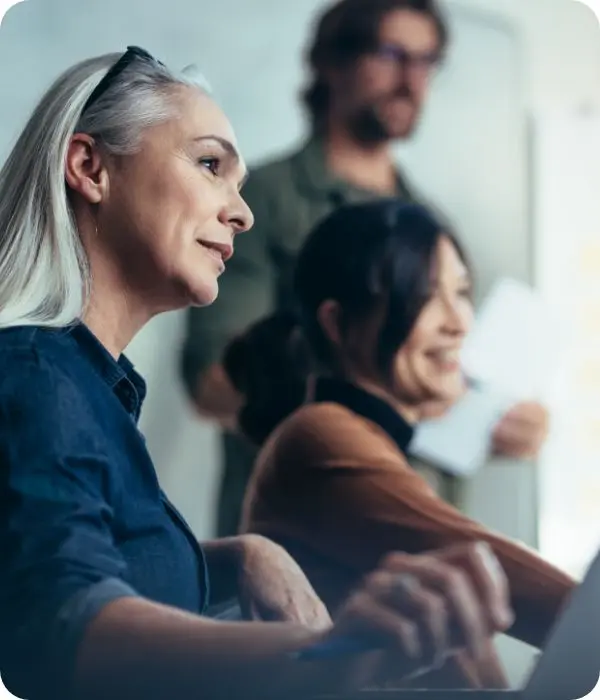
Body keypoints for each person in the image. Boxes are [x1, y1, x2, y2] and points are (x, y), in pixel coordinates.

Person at [0, 47, 516, 700]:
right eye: (210, 165)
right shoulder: (37, 377)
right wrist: (330, 655)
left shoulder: (91, 393)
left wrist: (237, 556)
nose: (241, 213)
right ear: (90, 167)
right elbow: (58, 626)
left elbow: (108, 569)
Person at [180, 0, 549, 538]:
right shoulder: (261, 199)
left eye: (427, 61)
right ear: (332, 62)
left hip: (426, 536)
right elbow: (212, 382)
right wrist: (388, 386)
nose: (411, 79)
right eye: (392, 53)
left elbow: (447, 384)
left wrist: (493, 420)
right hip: (300, 544)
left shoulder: (432, 224)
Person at [236, 201, 577, 686]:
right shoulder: (321, 435)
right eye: (423, 295)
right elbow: (492, 567)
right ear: (338, 323)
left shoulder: (369, 442)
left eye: (461, 292)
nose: (458, 322)